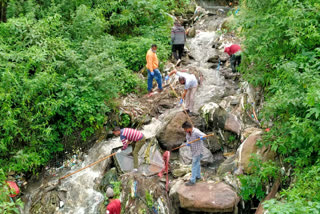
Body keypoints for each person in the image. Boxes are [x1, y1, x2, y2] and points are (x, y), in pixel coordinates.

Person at [181, 121, 206, 186]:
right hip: (193, 150)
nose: (185, 130)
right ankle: (198, 176)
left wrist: (202, 137)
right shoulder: (188, 132)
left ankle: (192, 180)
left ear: (189, 127)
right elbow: (188, 139)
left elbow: (205, 136)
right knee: (197, 163)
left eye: (185, 129)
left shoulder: (196, 132)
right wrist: (188, 143)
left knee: (194, 165)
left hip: (199, 151)